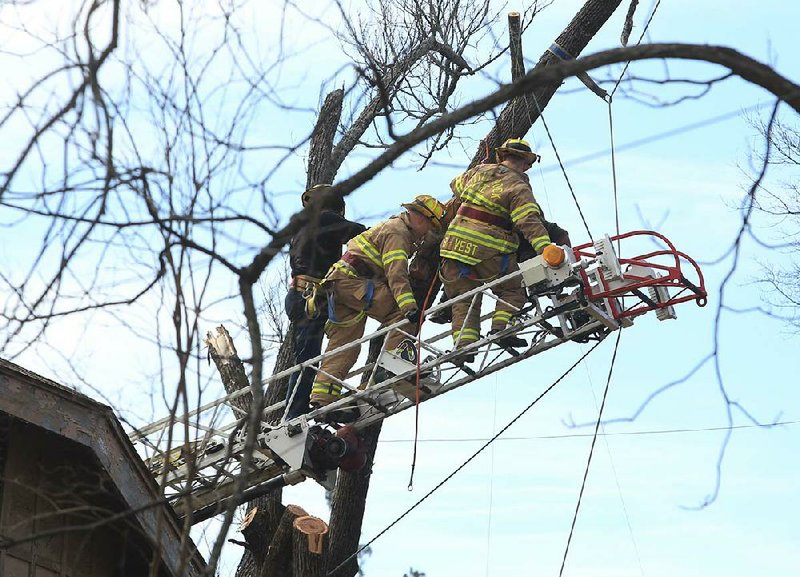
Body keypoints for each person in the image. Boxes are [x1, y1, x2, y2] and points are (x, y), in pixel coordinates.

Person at [310, 195, 446, 421]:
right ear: (420, 218)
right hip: (355, 283)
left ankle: (322, 399)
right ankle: (388, 368)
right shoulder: (398, 233)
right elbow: (397, 274)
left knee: (345, 345)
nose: (427, 234)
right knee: (403, 315)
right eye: (430, 227)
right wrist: (410, 306)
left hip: (341, 284)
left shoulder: (394, 228)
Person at [439, 138, 555, 359]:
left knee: (464, 299)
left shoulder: (479, 171)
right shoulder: (519, 187)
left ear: (503, 156)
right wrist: (546, 250)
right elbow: (527, 221)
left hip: (452, 249)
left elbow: (456, 185)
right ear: (525, 163)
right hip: (488, 252)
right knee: (512, 290)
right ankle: (502, 329)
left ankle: (465, 347)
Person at [284, 184, 366, 420]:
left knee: (305, 357)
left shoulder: (303, 226)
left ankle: (299, 407)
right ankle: (295, 413)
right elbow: (358, 233)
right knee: (308, 359)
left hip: (300, 295)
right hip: (310, 296)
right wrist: (385, 232)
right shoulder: (325, 219)